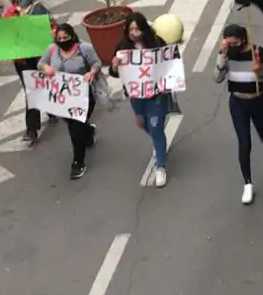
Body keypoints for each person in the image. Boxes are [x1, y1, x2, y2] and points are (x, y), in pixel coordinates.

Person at [213, 23, 263, 205]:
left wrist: (260, 74)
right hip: (238, 103)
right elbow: (217, 78)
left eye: (234, 44)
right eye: (228, 44)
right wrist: (222, 55)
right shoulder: (227, 55)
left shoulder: (259, 53)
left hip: (258, 101)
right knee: (244, 142)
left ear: (243, 40)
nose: (231, 47)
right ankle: (247, 183)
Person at [110, 12, 169, 187]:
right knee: (143, 123)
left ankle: (160, 166)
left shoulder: (157, 43)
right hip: (136, 95)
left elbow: (171, 60)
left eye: (138, 28)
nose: (135, 32)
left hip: (157, 93)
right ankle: (159, 145)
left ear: (144, 28)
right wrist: (114, 65)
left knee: (156, 127)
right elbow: (115, 73)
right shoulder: (121, 47)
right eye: (131, 29)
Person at [38, 23, 101, 179]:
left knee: (75, 128)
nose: (62, 41)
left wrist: (91, 73)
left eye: (65, 38)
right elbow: (41, 63)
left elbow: (97, 63)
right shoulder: (52, 49)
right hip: (63, 99)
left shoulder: (84, 48)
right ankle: (88, 131)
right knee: (75, 125)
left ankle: (78, 162)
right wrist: (46, 69)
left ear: (72, 36)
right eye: (59, 38)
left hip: (84, 96)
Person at [5, 0, 53, 146]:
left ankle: (49, 112)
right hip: (22, 60)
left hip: (39, 57)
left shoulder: (39, 8)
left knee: (43, 84)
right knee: (31, 91)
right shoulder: (11, 14)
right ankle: (32, 130)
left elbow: (52, 27)